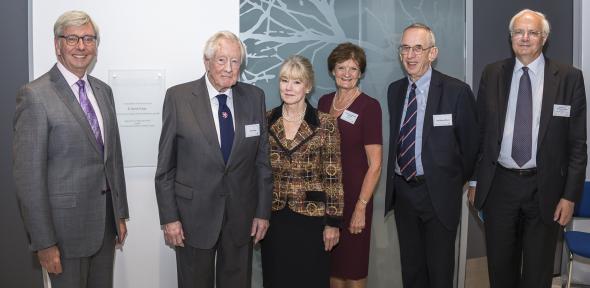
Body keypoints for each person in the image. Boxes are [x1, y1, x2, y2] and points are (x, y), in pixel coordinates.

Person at [468, 9, 587, 288]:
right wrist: (474, 179)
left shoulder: (569, 78)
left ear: (544, 38)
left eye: (532, 32)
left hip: (545, 189)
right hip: (500, 186)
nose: (524, 38)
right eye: (519, 32)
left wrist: (570, 197)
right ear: (510, 37)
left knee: (538, 273)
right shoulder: (493, 73)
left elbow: (577, 145)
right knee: (500, 270)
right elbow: (481, 133)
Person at [12, 10, 129, 288]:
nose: (81, 46)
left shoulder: (103, 91)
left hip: (104, 228)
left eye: (88, 38)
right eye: (72, 38)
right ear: (57, 44)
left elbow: (112, 160)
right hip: (63, 234)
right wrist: (44, 242)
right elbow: (28, 179)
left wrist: (119, 214)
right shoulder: (35, 95)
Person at [154, 31, 273, 288]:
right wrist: (169, 218)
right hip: (192, 219)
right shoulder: (179, 98)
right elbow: (165, 167)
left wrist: (263, 213)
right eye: (221, 60)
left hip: (241, 218)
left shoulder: (254, 97)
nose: (229, 68)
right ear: (206, 62)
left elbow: (262, 163)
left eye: (235, 61)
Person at [384, 23, 479, 288]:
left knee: (439, 273)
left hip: (438, 195)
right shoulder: (395, 90)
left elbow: (471, 147)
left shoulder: (456, 91)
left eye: (418, 48)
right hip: (404, 193)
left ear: (432, 53)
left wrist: (453, 180)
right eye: (405, 48)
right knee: (412, 271)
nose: (410, 55)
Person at [261, 55, 344, 288]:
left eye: (296, 82)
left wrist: (333, 223)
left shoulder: (325, 123)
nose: (288, 87)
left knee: (310, 280)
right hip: (274, 218)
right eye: (284, 80)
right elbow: (257, 171)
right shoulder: (266, 119)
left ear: (308, 86)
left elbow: (333, 176)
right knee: (276, 279)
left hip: (312, 219)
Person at [317, 43, 383, 288]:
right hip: (327, 201)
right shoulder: (323, 103)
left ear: (361, 73)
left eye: (353, 68)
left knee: (353, 271)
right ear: (332, 70)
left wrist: (360, 208)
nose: (347, 73)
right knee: (333, 267)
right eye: (341, 67)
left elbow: (375, 165)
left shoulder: (369, 106)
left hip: (356, 198)